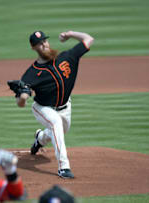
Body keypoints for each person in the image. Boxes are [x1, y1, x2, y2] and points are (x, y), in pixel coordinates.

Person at [7, 30, 94, 178]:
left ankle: (40, 138)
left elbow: (88, 39)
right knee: (55, 122)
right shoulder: (31, 73)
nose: (44, 45)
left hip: (65, 107)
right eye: (39, 44)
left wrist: (70, 34)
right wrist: (22, 97)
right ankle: (63, 167)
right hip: (42, 108)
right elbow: (21, 103)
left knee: (60, 130)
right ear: (33, 48)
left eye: (45, 41)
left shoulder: (67, 57)